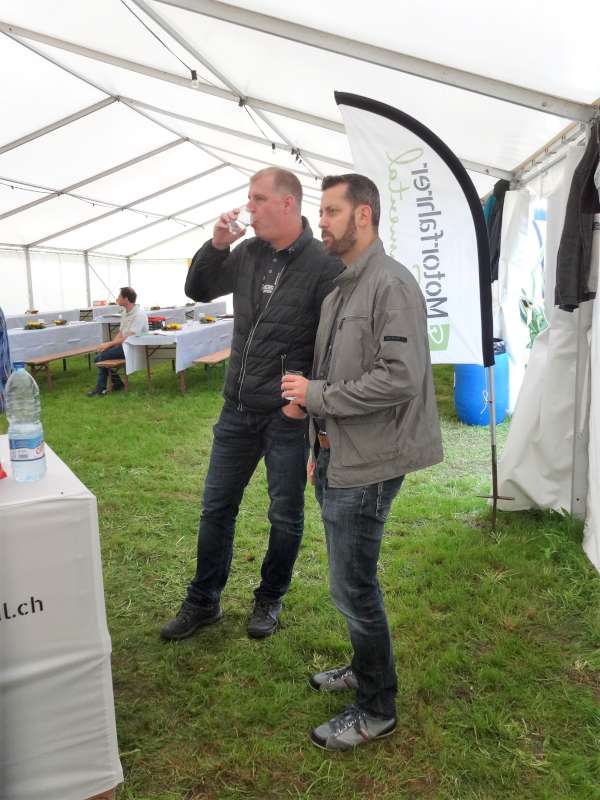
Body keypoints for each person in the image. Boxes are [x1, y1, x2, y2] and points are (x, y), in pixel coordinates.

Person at [281, 174, 443, 750]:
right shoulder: (343, 287)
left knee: (353, 588)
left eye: (331, 211)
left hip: (370, 462)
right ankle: (362, 667)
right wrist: (315, 430)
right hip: (337, 455)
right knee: (350, 582)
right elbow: (338, 371)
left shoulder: (390, 284)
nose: (321, 222)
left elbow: (400, 379)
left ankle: (377, 708)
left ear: (364, 215)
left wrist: (317, 395)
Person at [160, 167, 343, 641]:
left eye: (258, 199)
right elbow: (199, 290)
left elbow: (333, 342)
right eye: (249, 198)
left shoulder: (324, 263)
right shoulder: (247, 252)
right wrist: (217, 244)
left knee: (284, 514)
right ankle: (204, 600)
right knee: (216, 507)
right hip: (236, 409)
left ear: (287, 203)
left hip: (285, 416)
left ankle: (270, 597)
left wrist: (302, 404)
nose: (249, 208)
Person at [87, 287, 148, 396]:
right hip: (124, 346)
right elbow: (121, 333)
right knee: (99, 355)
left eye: (120, 296)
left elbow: (129, 337)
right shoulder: (124, 312)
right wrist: (110, 346)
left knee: (100, 357)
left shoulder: (139, 314)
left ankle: (100, 388)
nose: (117, 298)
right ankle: (117, 383)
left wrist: (109, 344)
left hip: (134, 347)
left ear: (126, 299)